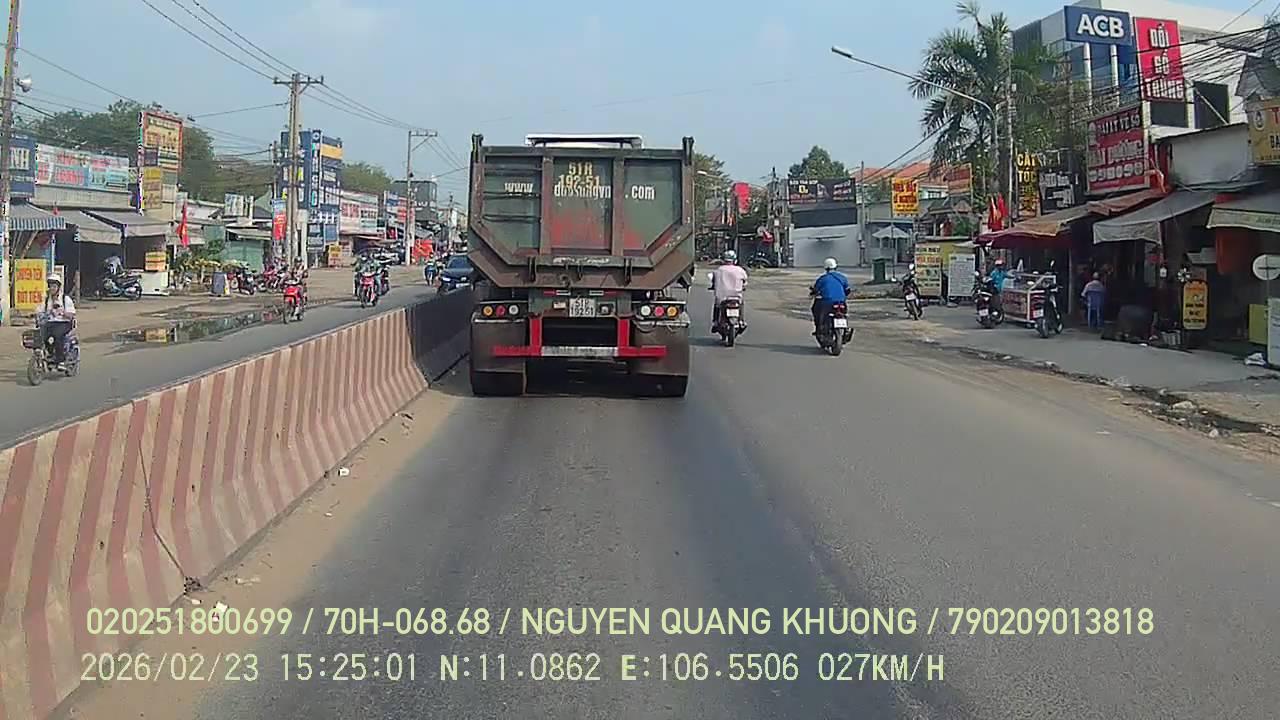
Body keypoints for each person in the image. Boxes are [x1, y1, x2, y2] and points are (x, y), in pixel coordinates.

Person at [36, 273, 76, 364]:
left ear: (58, 287)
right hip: (51, 323)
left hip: (64, 323)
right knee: (42, 336)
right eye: (50, 286)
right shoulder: (46, 300)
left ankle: (60, 360)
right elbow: (39, 310)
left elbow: (71, 315)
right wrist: (37, 315)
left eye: (54, 286)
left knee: (57, 336)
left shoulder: (65, 299)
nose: (52, 289)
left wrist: (62, 312)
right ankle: (51, 354)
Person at [709, 249, 749, 331]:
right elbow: (745, 281)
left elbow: (713, 280)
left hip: (722, 296)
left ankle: (715, 322)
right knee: (741, 304)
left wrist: (713, 286)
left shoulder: (719, 270)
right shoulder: (740, 270)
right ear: (735, 260)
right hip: (736, 295)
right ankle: (741, 321)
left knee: (717, 305)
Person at [811, 257, 851, 335]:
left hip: (827, 301)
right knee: (844, 313)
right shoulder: (842, 277)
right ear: (835, 266)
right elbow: (847, 290)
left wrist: (813, 293)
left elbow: (815, 290)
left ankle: (818, 328)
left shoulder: (822, 279)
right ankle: (846, 328)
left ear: (825, 268)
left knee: (815, 309)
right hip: (841, 302)